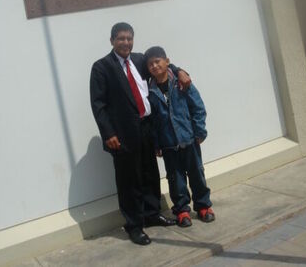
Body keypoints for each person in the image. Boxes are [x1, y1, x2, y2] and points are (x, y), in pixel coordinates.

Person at [90, 22, 191, 245]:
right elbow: (98, 104)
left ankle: (152, 214)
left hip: (147, 128)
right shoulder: (101, 67)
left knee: (149, 174)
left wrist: (180, 70)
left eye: (129, 38)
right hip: (122, 135)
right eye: (121, 38)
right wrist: (108, 133)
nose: (126, 42)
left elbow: (160, 65)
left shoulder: (138, 60)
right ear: (112, 41)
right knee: (129, 180)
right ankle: (134, 225)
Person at [145, 46, 215, 228]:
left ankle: (203, 205)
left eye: (157, 61)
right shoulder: (149, 91)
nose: (154, 66)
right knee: (175, 179)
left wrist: (199, 131)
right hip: (168, 144)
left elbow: (198, 107)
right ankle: (182, 209)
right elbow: (152, 122)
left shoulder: (181, 82)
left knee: (197, 173)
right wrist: (156, 144)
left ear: (167, 61)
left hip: (189, 139)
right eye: (150, 64)